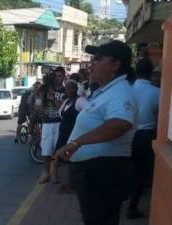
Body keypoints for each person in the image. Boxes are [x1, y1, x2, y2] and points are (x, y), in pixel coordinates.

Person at [54, 40, 137, 225]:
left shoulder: (120, 92)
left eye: (98, 59)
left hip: (105, 171)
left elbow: (119, 124)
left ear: (115, 65)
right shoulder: (107, 91)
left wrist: (76, 143)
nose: (92, 63)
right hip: (96, 172)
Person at [127, 58, 160, 219]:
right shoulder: (157, 92)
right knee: (141, 174)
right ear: (151, 72)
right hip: (145, 137)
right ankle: (132, 208)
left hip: (126, 135)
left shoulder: (128, 91)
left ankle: (122, 203)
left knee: (126, 169)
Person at [51, 79, 88, 188]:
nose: (68, 90)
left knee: (71, 157)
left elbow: (90, 110)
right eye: (67, 88)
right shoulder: (66, 101)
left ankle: (71, 182)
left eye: (71, 87)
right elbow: (60, 113)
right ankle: (54, 176)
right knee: (58, 154)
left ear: (76, 89)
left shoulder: (80, 100)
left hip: (73, 132)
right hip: (63, 132)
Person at [38, 73, 65, 184]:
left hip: (59, 122)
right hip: (47, 123)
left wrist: (53, 98)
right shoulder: (44, 89)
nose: (58, 78)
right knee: (46, 148)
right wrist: (40, 109)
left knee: (56, 148)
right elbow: (38, 105)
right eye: (56, 76)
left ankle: (54, 173)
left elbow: (62, 107)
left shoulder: (65, 90)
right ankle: (45, 173)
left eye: (60, 76)